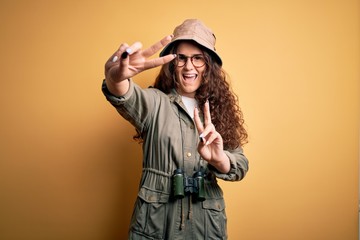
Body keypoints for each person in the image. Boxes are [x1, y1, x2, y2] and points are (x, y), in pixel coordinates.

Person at [102, 19, 249, 240]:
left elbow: (241, 164)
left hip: (206, 227)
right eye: (182, 58)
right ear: (172, 63)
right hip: (156, 226)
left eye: (198, 58)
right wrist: (116, 77)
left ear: (208, 65)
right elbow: (124, 94)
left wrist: (220, 160)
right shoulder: (155, 104)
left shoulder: (219, 112)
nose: (189, 66)